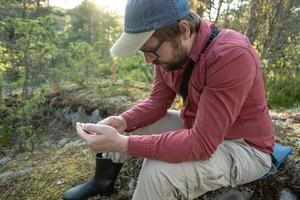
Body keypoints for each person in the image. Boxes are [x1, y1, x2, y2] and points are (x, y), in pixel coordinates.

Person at [63, 0, 275, 199]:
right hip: (198, 126)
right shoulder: (170, 54)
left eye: (150, 50)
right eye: (142, 51)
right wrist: (123, 122)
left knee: (157, 172)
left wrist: (124, 145)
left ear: (184, 30)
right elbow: (157, 102)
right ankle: (102, 181)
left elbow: (201, 144)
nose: (148, 60)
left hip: (244, 147)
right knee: (124, 128)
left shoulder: (231, 57)